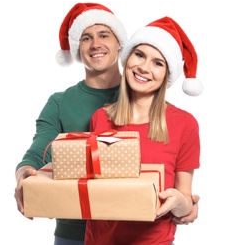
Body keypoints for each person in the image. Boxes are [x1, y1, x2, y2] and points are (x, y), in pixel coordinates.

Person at [14, 2, 200, 245]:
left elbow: (181, 193)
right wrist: (24, 173)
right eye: (86, 38)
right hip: (80, 233)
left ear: (120, 44)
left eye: (104, 35)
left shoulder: (177, 119)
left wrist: (184, 204)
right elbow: (41, 149)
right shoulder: (89, 113)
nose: (96, 44)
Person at [85, 16, 203, 245]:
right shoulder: (100, 118)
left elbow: (185, 203)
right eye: (139, 55)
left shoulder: (184, 124)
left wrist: (179, 201)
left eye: (158, 63)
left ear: (166, 75)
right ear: (128, 57)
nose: (144, 68)